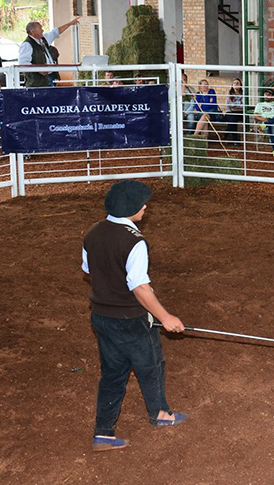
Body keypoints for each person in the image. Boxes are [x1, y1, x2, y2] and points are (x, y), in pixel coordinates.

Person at [82, 180, 186, 453]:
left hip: (102, 318)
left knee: (112, 374)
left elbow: (89, 269)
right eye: (142, 204)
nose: (145, 207)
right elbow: (139, 287)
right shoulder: (135, 241)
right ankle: (161, 414)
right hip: (132, 320)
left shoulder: (93, 232)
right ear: (131, 209)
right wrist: (165, 317)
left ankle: (103, 433)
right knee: (151, 365)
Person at [19, 18, 79, 87]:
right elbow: (23, 63)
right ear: (32, 31)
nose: (42, 30)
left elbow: (55, 32)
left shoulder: (43, 38)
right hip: (37, 82)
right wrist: (38, 69)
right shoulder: (27, 45)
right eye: (40, 28)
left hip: (49, 78)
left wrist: (70, 24)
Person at [253, 88, 274, 155]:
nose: (267, 96)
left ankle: (266, 124)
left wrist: (269, 120)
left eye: (269, 95)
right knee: (272, 124)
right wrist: (264, 119)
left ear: (272, 96)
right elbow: (255, 116)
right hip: (268, 124)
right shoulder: (259, 105)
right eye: (265, 94)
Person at [222, 78, 245, 144]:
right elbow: (228, 104)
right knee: (233, 120)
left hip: (240, 112)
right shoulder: (229, 93)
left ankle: (226, 134)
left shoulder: (243, 94)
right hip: (230, 112)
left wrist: (233, 104)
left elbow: (243, 105)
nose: (236, 84)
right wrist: (238, 104)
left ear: (240, 85)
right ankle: (235, 140)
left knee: (234, 120)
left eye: (237, 83)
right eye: (234, 83)